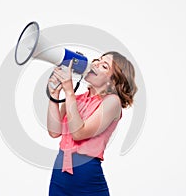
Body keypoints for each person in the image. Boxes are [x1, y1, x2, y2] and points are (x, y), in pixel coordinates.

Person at [47, 51, 138, 195]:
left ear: (113, 80)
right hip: (60, 173)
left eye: (104, 66)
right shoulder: (76, 99)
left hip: (86, 178)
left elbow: (78, 133)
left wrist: (69, 91)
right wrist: (54, 95)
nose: (95, 64)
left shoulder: (112, 102)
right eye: (97, 60)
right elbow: (54, 132)